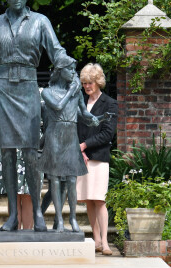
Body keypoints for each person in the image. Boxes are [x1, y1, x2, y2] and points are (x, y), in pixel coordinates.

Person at [0, 0, 78, 232]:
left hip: (29, 89)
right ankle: (11, 215)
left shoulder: (41, 22)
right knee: (6, 153)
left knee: (30, 152)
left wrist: (71, 70)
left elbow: (56, 51)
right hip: (2, 90)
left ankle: (38, 213)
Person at [39, 66, 99, 232]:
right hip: (54, 135)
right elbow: (58, 106)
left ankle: (72, 218)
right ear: (60, 72)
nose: (74, 73)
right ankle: (59, 219)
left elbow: (83, 113)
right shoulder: (48, 92)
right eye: (70, 70)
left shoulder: (76, 93)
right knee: (55, 180)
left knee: (72, 179)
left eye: (74, 70)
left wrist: (93, 118)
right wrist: (72, 90)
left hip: (71, 136)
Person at [76, 63, 118, 255]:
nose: (87, 86)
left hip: (99, 158)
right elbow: (75, 130)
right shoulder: (81, 103)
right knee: (88, 200)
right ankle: (96, 240)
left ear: (98, 81)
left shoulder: (109, 103)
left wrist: (85, 145)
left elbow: (108, 133)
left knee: (99, 199)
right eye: (84, 82)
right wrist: (80, 150)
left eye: (90, 82)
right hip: (83, 158)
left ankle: (106, 242)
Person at [0, 150, 43, 230]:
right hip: (10, 144)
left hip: (28, 144)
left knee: (28, 194)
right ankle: (16, 232)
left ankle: (27, 233)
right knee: (13, 193)